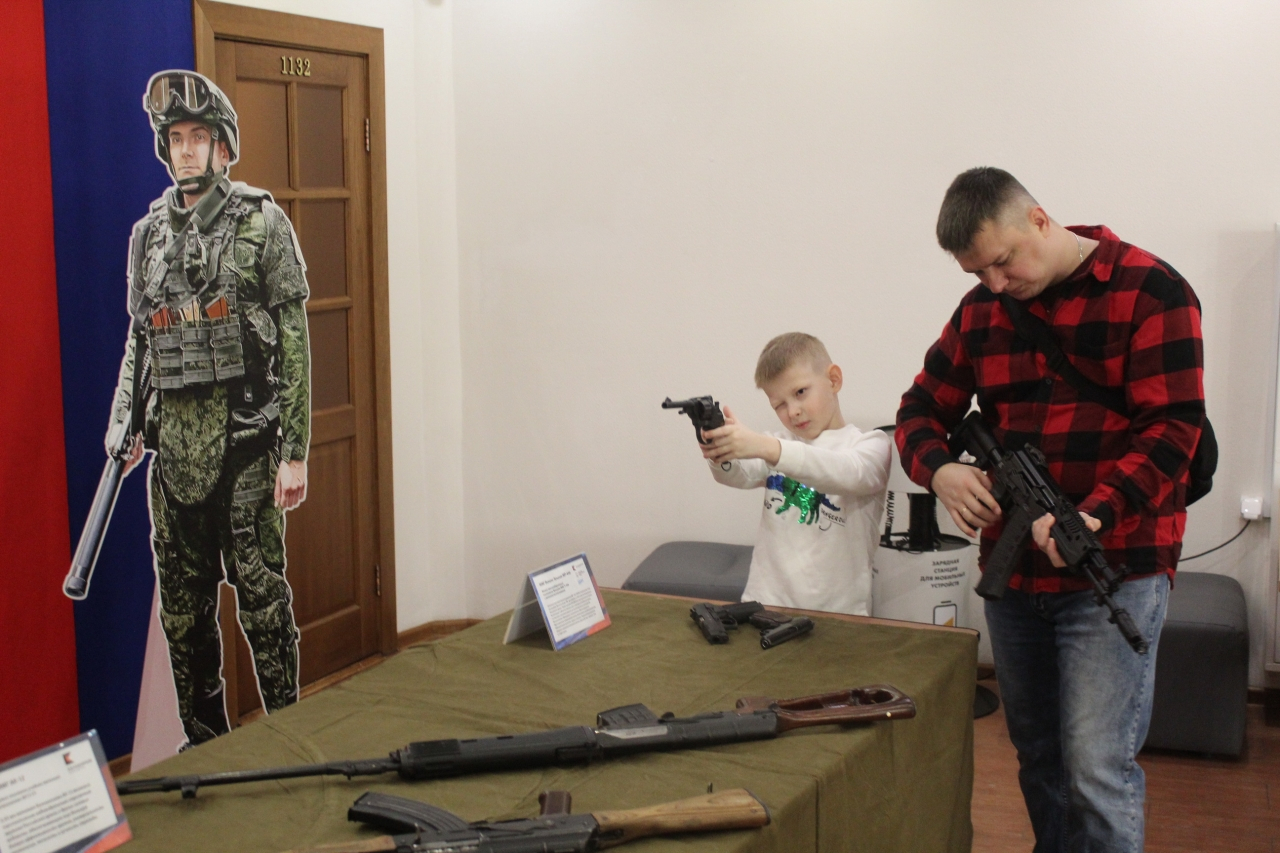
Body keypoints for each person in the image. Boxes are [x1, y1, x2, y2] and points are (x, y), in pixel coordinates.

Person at [896, 167, 1204, 852]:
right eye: (978, 273)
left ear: (1038, 219)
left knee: (1097, 770)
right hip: (1015, 580)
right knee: (1038, 755)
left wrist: (1096, 514)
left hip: (1116, 566)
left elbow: (1173, 430)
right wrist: (940, 469)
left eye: (1003, 261)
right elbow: (918, 410)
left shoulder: (1151, 290)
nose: (996, 284)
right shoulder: (981, 311)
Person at [106, 70, 312, 747]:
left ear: (222, 146)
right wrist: (124, 424)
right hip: (174, 461)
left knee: (264, 607)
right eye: (177, 138)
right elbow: (141, 340)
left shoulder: (262, 223)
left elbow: (294, 340)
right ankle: (207, 752)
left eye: (199, 136)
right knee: (185, 620)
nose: (187, 149)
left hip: (247, 450)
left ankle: (292, 742)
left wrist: (294, 452)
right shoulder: (148, 236)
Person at [699, 332, 890, 616]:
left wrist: (766, 447)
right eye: (779, 404)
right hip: (764, 605)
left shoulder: (871, 444)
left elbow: (851, 473)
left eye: (800, 392)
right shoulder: (778, 443)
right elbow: (736, 474)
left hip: (839, 615)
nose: (793, 411)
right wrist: (720, 450)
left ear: (833, 380)